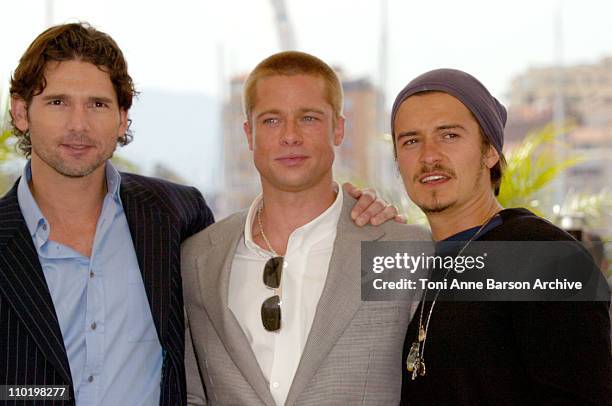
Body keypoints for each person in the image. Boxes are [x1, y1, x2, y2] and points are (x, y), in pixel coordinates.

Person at [0, 23, 394, 405]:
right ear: (20, 112)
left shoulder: (175, 217)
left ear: (122, 118)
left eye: (98, 104)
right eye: (57, 102)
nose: (78, 124)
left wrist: (353, 212)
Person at [182, 51, 429, 405]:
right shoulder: (197, 259)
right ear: (249, 134)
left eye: (308, 118)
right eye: (271, 121)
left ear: (338, 128)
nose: (290, 136)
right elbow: (192, 392)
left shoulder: (403, 249)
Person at [391, 68, 611, 405]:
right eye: (410, 140)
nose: (429, 156)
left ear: (490, 150)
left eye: (449, 135)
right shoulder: (418, 265)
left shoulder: (540, 255)